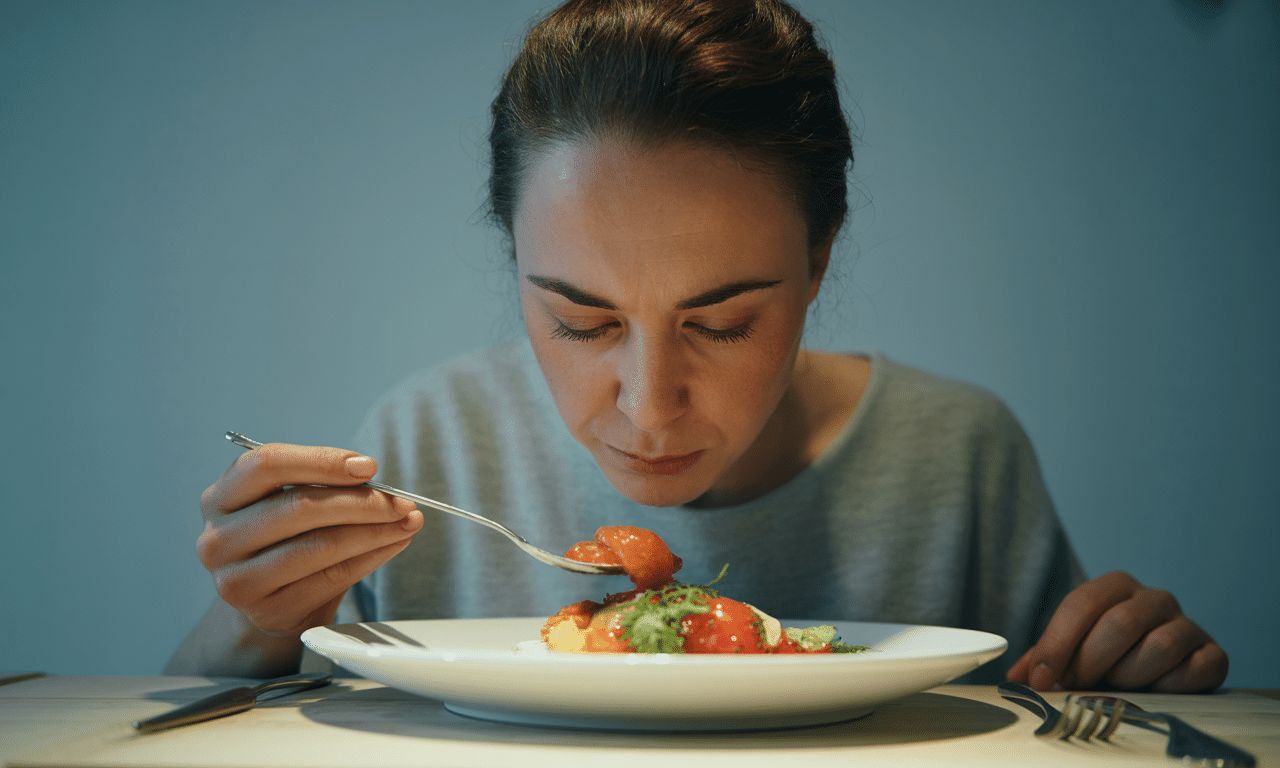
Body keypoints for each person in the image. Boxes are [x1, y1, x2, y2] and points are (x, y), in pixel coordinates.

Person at [167, 0, 1227, 692]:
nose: (647, 406)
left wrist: (1126, 669)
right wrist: (257, 621)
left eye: (719, 323)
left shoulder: (958, 457)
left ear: (817, 263)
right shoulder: (428, 439)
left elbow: (1073, 714)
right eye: (580, 322)